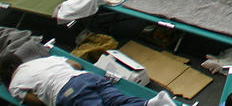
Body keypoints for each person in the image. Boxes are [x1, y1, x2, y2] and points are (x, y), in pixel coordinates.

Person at [2, 54, 175, 106]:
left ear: (8, 71)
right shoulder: (42, 60)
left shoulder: (15, 84)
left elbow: (37, 103)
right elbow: (76, 65)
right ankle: (154, 103)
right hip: (86, 78)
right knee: (117, 101)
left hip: (67, 92)